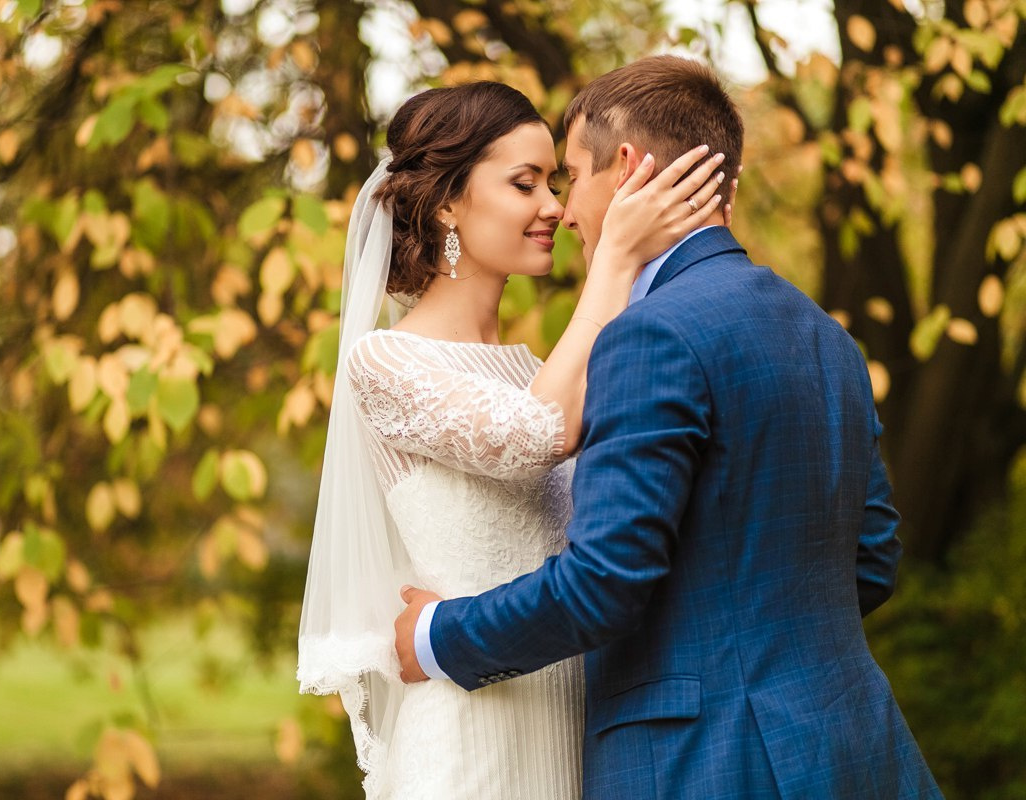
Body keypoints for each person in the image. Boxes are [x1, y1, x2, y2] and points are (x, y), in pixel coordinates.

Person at [395, 55, 943, 799]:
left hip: (708, 764)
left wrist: (438, 637)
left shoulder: (649, 335)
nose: (566, 211)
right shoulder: (825, 336)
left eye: (572, 178)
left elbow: (603, 583)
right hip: (854, 745)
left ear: (627, 169)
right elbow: (871, 561)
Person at [297, 80, 727, 799]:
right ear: (446, 203)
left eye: (556, 183)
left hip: (573, 736)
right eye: (525, 184)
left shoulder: (537, 372)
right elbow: (539, 435)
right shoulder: (385, 363)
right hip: (471, 746)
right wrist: (616, 260)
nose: (554, 207)